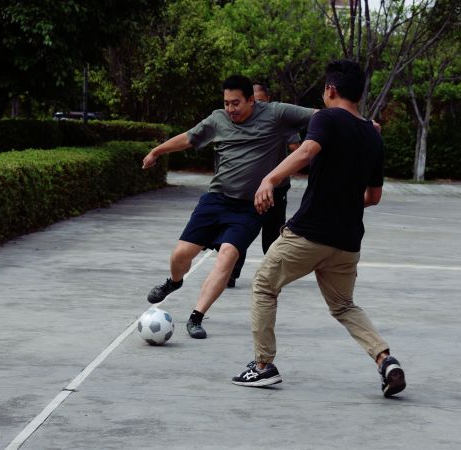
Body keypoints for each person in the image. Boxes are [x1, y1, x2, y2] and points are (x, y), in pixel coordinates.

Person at [231, 60, 406, 397]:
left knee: (264, 286)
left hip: (309, 234)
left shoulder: (326, 118)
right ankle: (386, 360)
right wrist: (345, 199)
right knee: (344, 306)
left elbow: (308, 150)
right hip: (347, 241)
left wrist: (270, 178)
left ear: (330, 90)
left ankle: (263, 366)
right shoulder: (373, 134)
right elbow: (374, 196)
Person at [142, 75, 316, 339]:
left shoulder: (276, 114)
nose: (231, 109)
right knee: (180, 255)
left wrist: (359, 123)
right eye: (227, 103)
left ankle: (196, 317)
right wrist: (157, 151)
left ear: (251, 100)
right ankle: (174, 282)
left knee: (227, 255)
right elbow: (189, 138)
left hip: (249, 208)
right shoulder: (218, 119)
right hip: (216, 200)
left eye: (236, 103)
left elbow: (320, 116)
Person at [228, 81, 302, 288]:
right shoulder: (238, 120)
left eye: (260, 101)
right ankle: (231, 273)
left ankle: (274, 274)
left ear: (267, 100)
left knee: (272, 234)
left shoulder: (278, 119)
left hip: (276, 188)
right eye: (253, 102)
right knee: (238, 231)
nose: (256, 106)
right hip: (247, 188)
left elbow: (297, 149)